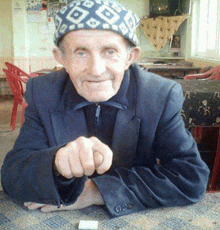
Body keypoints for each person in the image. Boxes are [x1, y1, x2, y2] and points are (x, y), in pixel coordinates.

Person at [1, 0, 209, 217]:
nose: (96, 70)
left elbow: (190, 177)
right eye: (81, 53)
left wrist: (96, 191)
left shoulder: (159, 96)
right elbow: (13, 174)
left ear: (130, 57)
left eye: (110, 51)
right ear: (61, 58)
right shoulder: (43, 92)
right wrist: (55, 163)